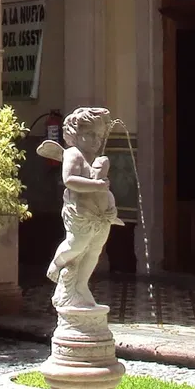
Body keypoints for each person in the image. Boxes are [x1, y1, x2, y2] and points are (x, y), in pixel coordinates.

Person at [45, 107, 120, 309]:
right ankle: (58, 262)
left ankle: (81, 285)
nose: (96, 140)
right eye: (90, 134)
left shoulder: (97, 160)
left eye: (99, 135)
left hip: (98, 214)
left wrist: (111, 207)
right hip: (79, 211)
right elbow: (69, 180)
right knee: (76, 244)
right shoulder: (73, 154)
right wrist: (96, 185)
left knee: (94, 250)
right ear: (74, 135)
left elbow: (105, 190)